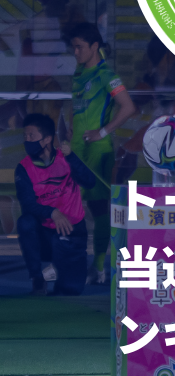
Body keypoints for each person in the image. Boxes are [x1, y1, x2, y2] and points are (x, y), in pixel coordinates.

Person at [67, 22, 137, 284]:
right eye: (73, 47)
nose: (75, 52)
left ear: (94, 46)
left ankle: (98, 266)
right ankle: (69, 263)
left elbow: (128, 107)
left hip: (97, 151)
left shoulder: (107, 75)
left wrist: (103, 132)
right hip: (75, 150)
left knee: (98, 208)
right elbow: (76, 107)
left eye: (79, 47)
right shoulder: (78, 72)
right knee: (68, 205)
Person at [16, 113, 98, 296]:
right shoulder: (24, 167)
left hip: (71, 228)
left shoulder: (66, 158)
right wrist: (53, 212)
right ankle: (37, 277)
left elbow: (90, 182)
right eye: (25, 136)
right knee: (25, 222)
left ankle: (60, 267)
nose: (27, 140)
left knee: (71, 289)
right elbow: (27, 204)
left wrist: (72, 158)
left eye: (31, 136)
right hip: (44, 231)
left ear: (47, 139)